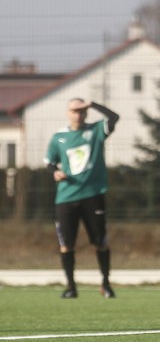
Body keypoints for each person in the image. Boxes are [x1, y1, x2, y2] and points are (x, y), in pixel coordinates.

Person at [45, 98, 120, 299]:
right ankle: (71, 287)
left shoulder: (96, 131)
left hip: (93, 195)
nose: (78, 114)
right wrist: (55, 172)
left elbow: (114, 117)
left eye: (81, 111)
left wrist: (93, 104)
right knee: (67, 243)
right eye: (74, 111)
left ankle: (105, 283)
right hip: (66, 197)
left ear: (86, 113)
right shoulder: (59, 137)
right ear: (68, 113)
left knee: (99, 241)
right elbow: (50, 162)